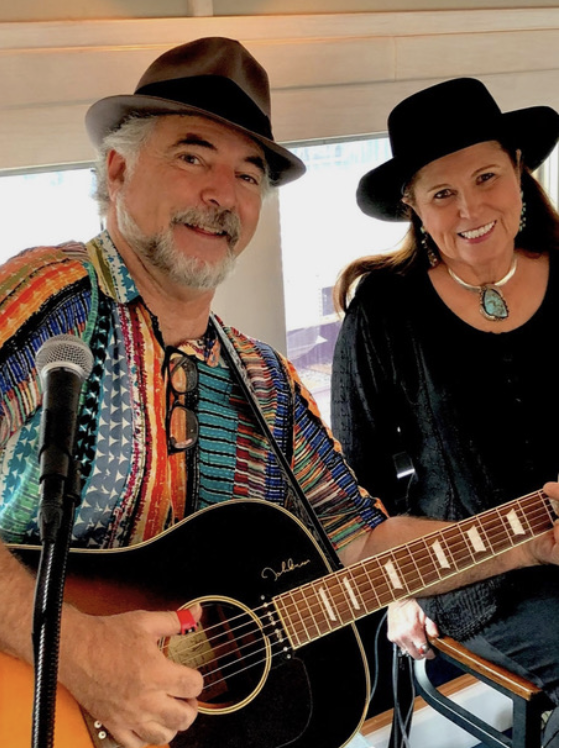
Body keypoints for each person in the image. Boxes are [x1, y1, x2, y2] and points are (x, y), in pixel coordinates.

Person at [0, 43, 557, 748]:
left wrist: (531, 540)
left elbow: (363, 542)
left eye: (247, 174)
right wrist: (76, 648)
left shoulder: (265, 383)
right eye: (193, 157)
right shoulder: (50, 300)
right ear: (117, 170)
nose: (222, 195)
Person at [331, 77, 559, 744]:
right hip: (476, 581)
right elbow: (356, 484)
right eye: (442, 193)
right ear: (414, 207)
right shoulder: (384, 311)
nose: (470, 208)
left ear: (518, 169)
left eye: (486, 177)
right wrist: (398, 588)